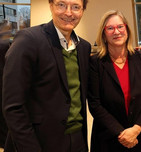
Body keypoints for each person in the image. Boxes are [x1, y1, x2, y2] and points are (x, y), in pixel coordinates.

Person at [2, 0, 91, 151]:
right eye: (61, 5)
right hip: (39, 141)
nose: (68, 12)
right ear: (51, 5)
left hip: (78, 140)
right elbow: (13, 107)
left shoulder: (84, 47)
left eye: (76, 7)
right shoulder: (28, 40)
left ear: (83, 10)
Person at [88, 10, 141, 152]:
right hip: (109, 139)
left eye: (120, 26)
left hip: (140, 138)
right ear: (104, 34)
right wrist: (122, 134)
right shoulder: (95, 62)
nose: (116, 32)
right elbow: (95, 104)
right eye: (110, 28)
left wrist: (136, 129)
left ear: (127, 29)